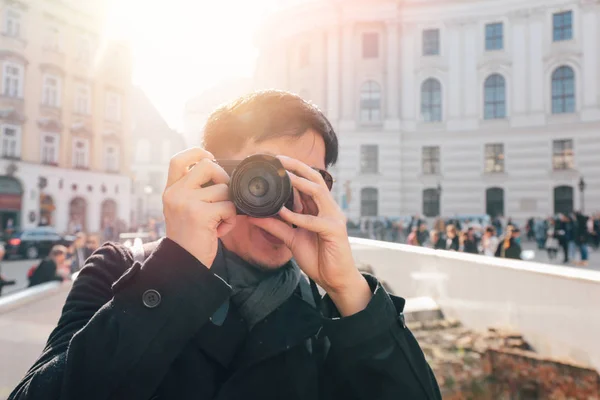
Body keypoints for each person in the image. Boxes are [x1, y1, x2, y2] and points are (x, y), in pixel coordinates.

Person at [10, 91, 440, 400]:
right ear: (210, 174)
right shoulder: (119, 273)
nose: (283, 201)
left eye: (308, 181)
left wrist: (350, 292)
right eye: (263, 178)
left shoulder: (328, 313)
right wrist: (177, 273)